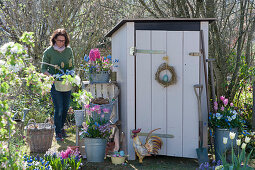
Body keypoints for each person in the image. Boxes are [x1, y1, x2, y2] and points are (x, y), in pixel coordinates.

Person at [41, 28, 74, 141]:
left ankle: (61, 128)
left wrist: (71, 75)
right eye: (59, 40)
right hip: (55, 84)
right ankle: (58, 131)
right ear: (54, 39)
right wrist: (51, 76)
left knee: (65, 108)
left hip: (66, 83)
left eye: (63, 41)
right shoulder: (49, 52)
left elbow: (71, 66)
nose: (61, 43)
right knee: (59, 108)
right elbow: (43, 68)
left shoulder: (69, 51)